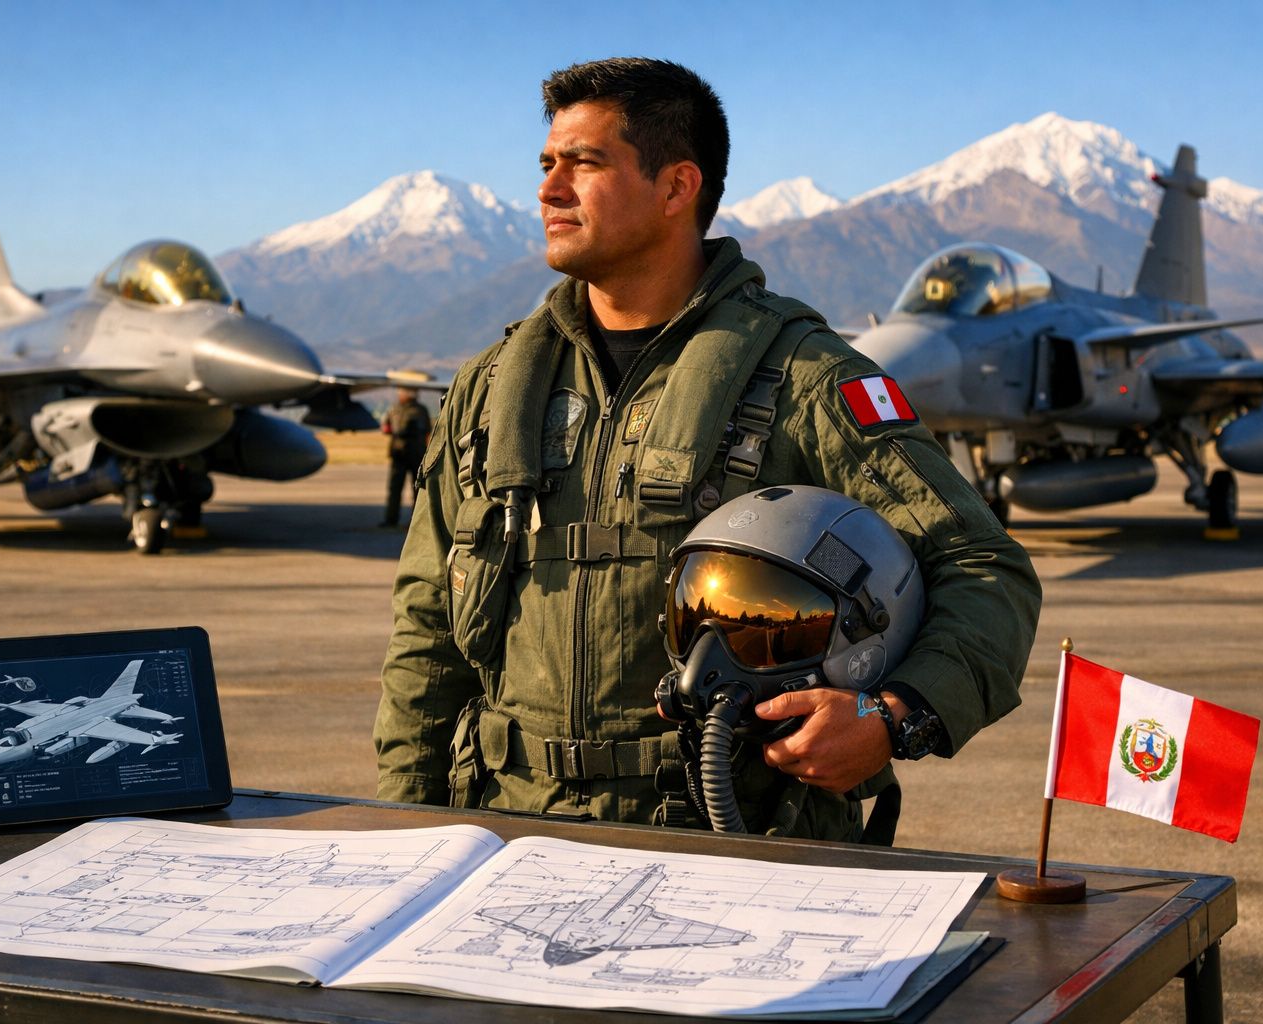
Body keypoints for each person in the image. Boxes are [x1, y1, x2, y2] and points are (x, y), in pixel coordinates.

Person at [374, 57, 1041, 843]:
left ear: (676, 188)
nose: (549, 190)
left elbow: (981, 568)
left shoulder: (804, 377)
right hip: (505, 835)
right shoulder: (492, 389)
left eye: (584, 163)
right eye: (548, 164)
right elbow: (426, 629)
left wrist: (894, 716)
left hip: (730, 838)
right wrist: (403, 828)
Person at [379, 387, 430, 527]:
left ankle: (408, 521)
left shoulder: (411, 410)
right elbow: (386, 428)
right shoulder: (400, 409)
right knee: (397, 489)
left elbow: (427, 430)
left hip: (412, 454)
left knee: (415, 489)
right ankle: (395, 520)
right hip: (404, 454)